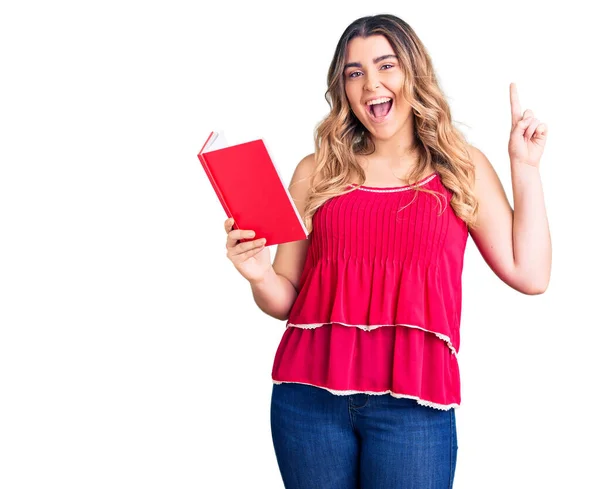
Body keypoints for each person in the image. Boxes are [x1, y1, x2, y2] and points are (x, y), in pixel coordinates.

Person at [222, 13, 551, 489]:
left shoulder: (460, 168)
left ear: (414, 73)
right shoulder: (316, 171)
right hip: (307, 402)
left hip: (413, 407)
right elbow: (285, 301)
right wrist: (258, 276)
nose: (370, 83)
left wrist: (525, 166)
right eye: (354, 73)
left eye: (386, 65)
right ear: (343, 88)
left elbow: (532, 274)